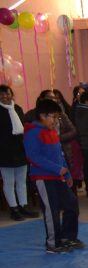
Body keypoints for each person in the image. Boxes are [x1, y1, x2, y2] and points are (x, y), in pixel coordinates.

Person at [23, 99, 83, 253]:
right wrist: (57, 169)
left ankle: (68, 237)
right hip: (43, 178)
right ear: (42, 115)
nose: (56, 121)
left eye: (58, 117)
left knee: (71, 204)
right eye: (53, 117)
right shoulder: (32, 132)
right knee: (52, 211)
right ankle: (53, 243)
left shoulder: (52, 132)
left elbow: (60, 155)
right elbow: (33, 157)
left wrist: (67, 173)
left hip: (58, 177)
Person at [0, 85, 36, 221]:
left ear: (11, 94)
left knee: (22, 181)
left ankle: (23, 206)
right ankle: (13, 209)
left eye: (7, 94)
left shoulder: (18, 109)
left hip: (20, 150)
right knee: (9, 182)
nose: (5, 97)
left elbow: (24, 130)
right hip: (4, 153)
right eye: (1, 95)